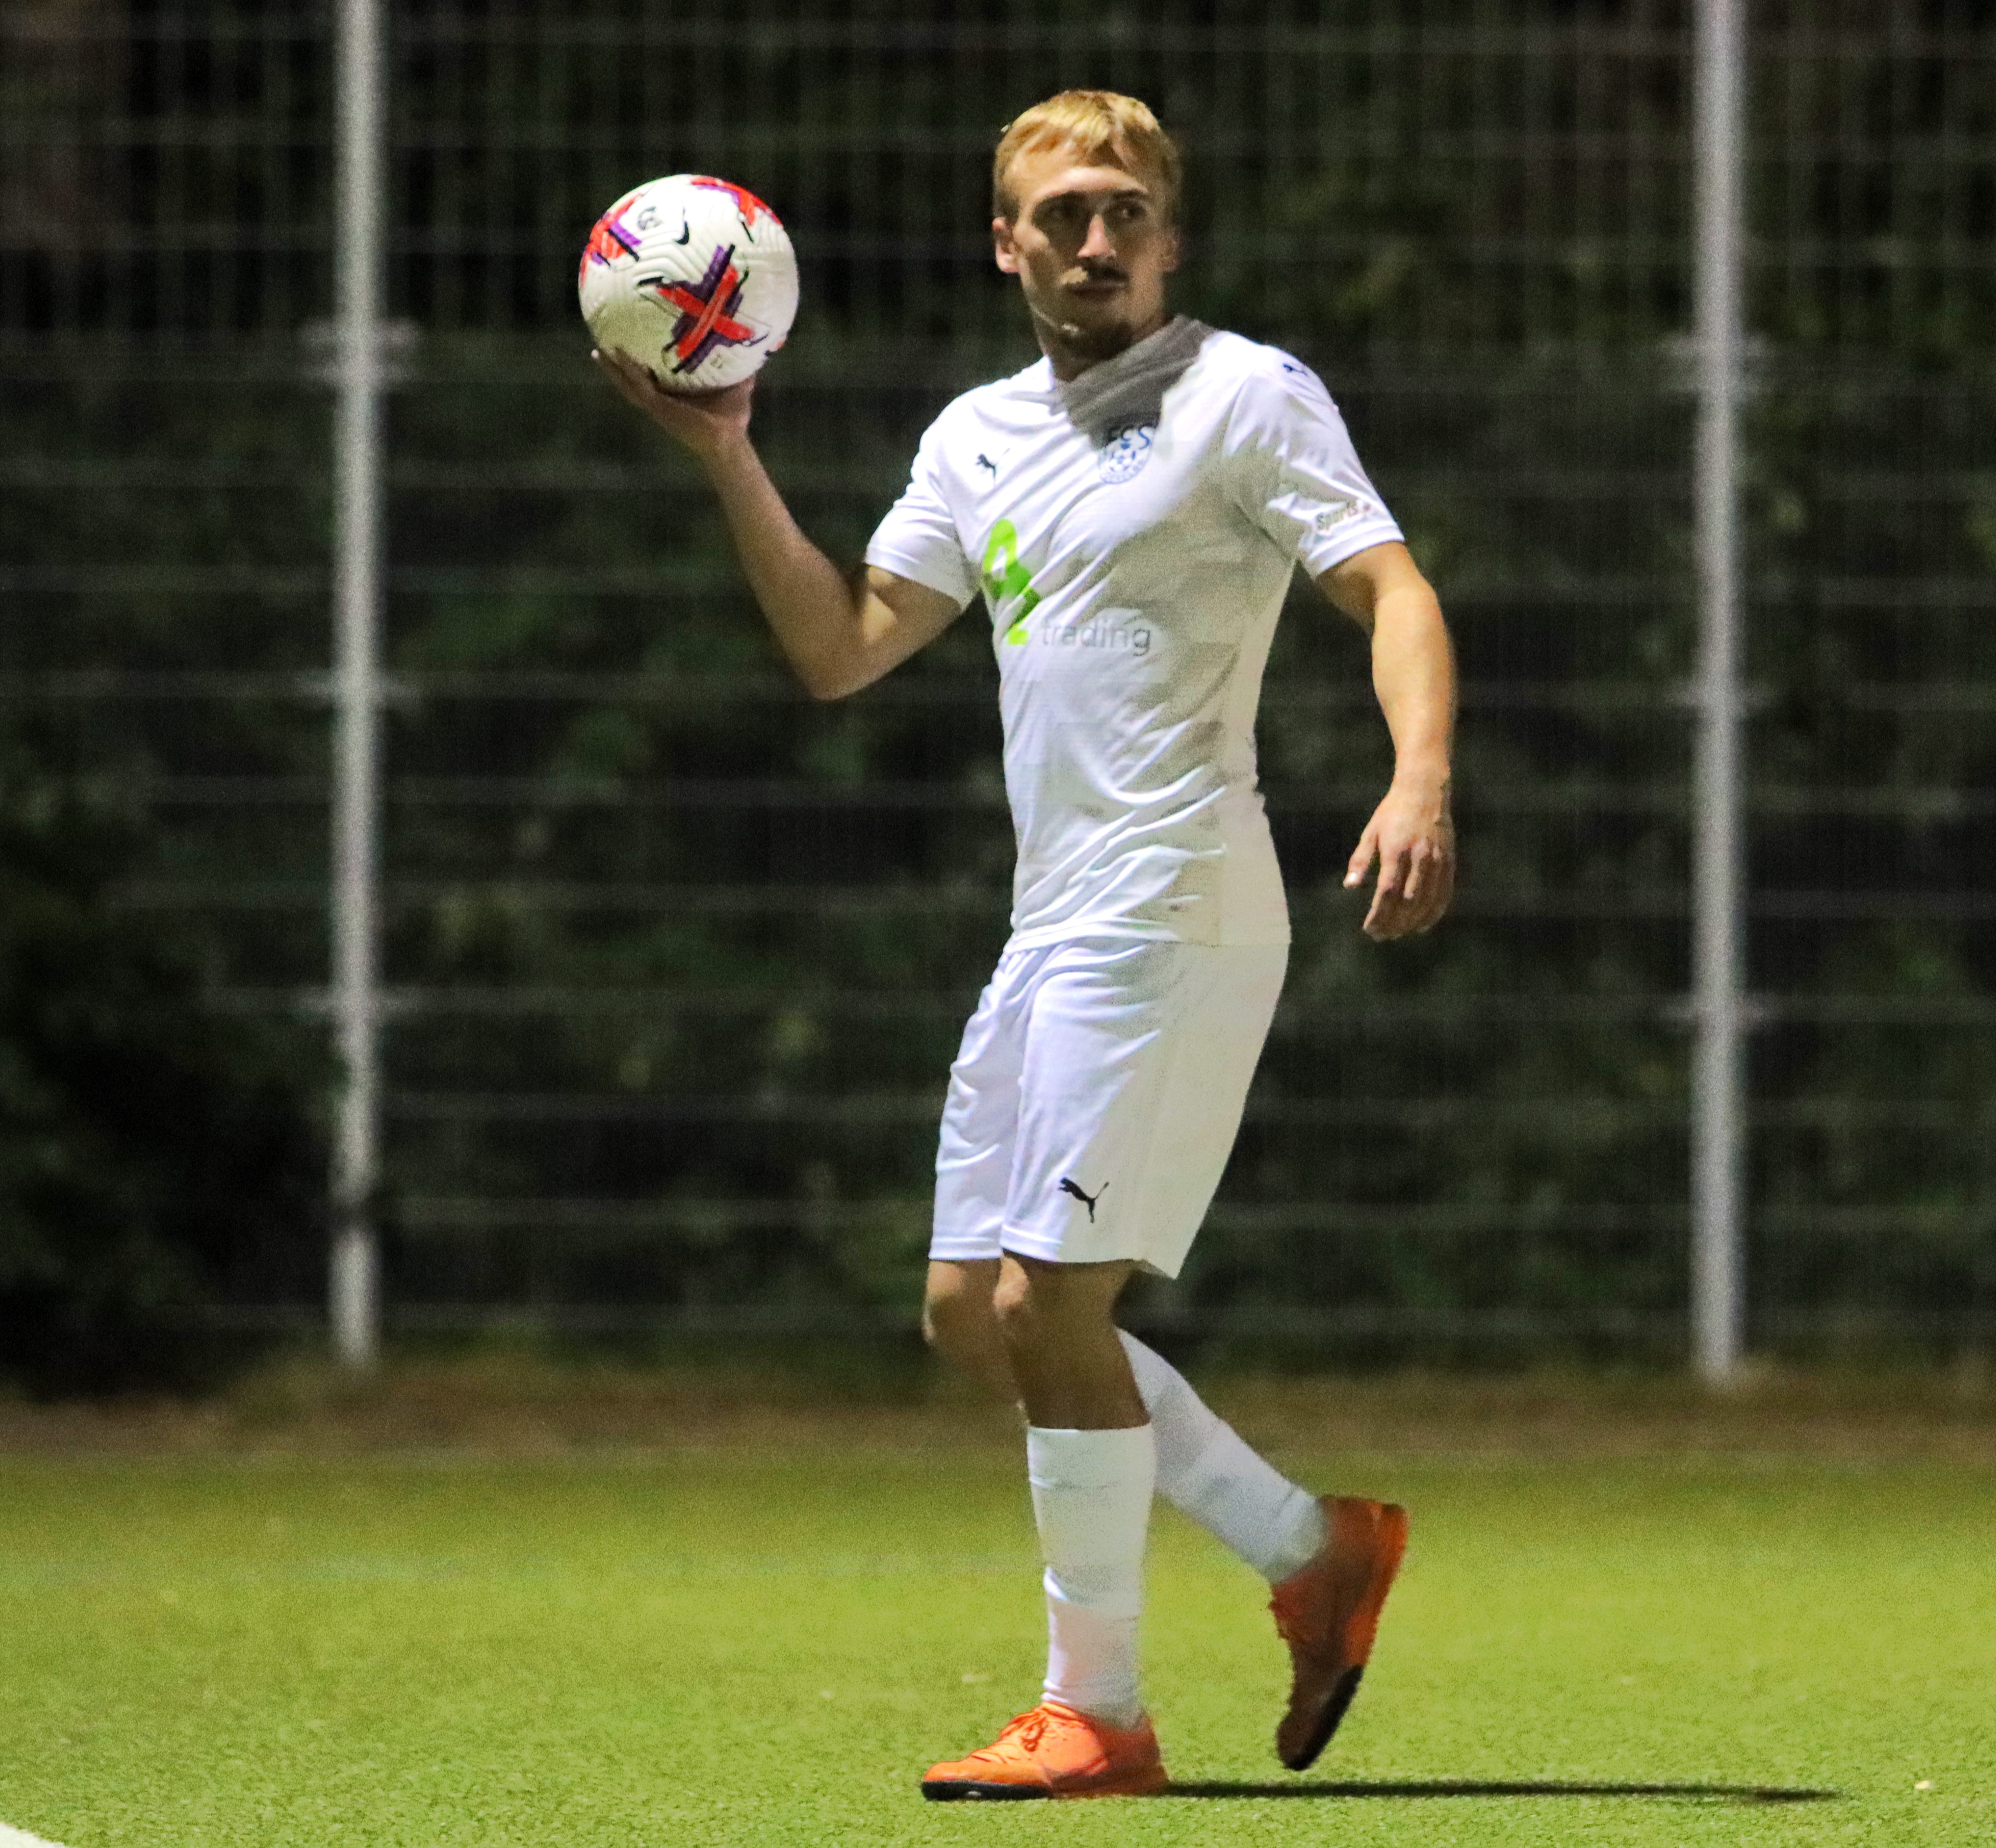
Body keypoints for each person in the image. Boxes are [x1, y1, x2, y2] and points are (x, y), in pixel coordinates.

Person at [596, 88, 1457, 1801]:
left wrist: (1419, 776)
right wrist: (728, 452)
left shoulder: (1244, 395)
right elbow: (844, 646)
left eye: (1124, 209)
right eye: (1061, 212)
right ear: (1006, 242)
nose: (1094, 237)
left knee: (1050, 1305)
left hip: (1177, 902)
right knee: (966, 1317)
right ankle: (1310, 1546)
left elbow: (1396, 592)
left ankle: (1105, 1714)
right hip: (1050, 923)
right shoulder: (975, 436)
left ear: (1170, 235)